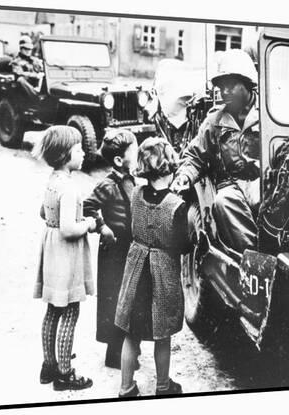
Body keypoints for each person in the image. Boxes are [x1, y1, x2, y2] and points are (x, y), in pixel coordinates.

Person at [114, 137, 190, 397]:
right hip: (162, 276)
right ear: (169, 168)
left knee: (130, 334)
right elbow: (184, 245)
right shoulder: (176, 206)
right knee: (163, 334)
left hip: (137, 274)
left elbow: (131, 226)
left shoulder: (135, 193)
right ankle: (163, 386)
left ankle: (126, 387)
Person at [171, 49, 260, 253]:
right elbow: (195, 156)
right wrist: (185, 176)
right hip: (229, 185)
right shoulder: (214, 121)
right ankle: (252, 256)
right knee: (223, 202)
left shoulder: (266, 115)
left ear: (247, 84)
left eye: (231, 85)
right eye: (221, 87)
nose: (224, 92)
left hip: (261, 181)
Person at [33, 125, 96, 391]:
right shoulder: (69, 188)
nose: (83, 153)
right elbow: (70, 229)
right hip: (66, 255)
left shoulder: (52, 181)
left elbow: (42, 213)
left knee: (52, 310)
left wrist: (57, 220)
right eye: (79, 149)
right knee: (70, 310)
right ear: (64, 155)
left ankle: (48, 366)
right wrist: (89, 224)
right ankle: (64, 373)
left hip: (51, 250)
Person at [83, 130, 139, 370]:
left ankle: (126, 349)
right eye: (134, 153)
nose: (137, 157)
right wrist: (102, 226)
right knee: (114, 299)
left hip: (129, 247)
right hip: (114, 251)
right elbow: (88, 206)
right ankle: (114, 353)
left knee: (129, 298)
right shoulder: (107, 184)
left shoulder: (132, 180)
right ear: (119, 161)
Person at [11, 35, 45, 102]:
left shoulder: (35, 60)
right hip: (25, 86)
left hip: (36, 84)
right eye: (25, 49)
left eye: (29, 49)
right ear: (21, 49)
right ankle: (36, 97)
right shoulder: (16, 61)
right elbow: (19, 73)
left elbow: (42, 69)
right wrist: (36, 75)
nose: (28, 51)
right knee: (20, 79)